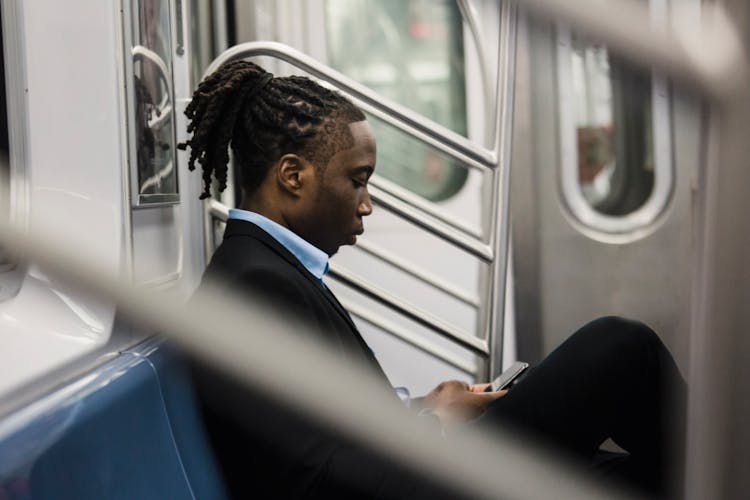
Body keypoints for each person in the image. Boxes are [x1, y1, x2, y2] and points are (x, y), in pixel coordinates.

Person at [181, 60, 686, 499]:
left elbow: (328, 431)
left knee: (630, 480)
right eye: (357, 181)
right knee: (619, 347)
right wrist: (434, 427)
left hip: (407, 472)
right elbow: (312, 481)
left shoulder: (266, 268)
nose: (366, 204)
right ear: (293, 176)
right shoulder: (254, 285)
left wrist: (426, 406)